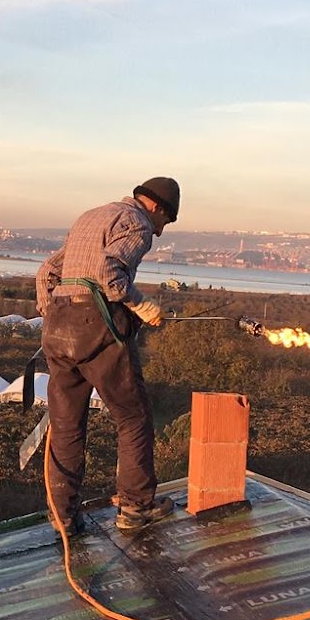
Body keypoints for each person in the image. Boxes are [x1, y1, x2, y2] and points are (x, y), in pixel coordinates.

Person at [34, 176, 181, 532]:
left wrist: (54, 313)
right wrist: (141, 305)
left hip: (57, 327)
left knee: (66, 425)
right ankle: (136, 507)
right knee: (133, 416)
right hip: (94, 324)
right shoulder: (138, 223)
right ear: (155, 206)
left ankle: (63, 517)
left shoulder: (90, 217)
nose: (160, 231)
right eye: (165, 221)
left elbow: (48, 271)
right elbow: (108, 273)